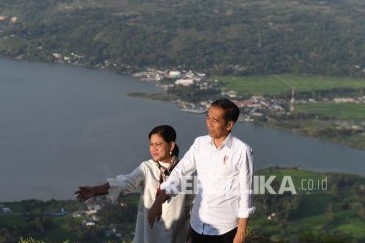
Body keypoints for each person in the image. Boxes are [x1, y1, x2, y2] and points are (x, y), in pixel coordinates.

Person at [148, 99, 255, 243]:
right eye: (207, 117)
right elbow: (180, 172)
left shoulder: (242, 151)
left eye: (215, 120)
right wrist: (159, 200)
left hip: (225, 228)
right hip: (198, 224)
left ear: (229, 125)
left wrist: (241, 233)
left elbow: (246, 192)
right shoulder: (200, 143)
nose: (209, 123)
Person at [75, 125, 193, 243]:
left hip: (176, 235)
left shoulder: (186, 171)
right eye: (151, 144)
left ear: (171, 145)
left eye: (158, 144)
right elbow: (124, 182)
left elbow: (194, 204)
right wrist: (96, 190)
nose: (153, 149)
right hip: (149, 235)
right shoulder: (147, 168)